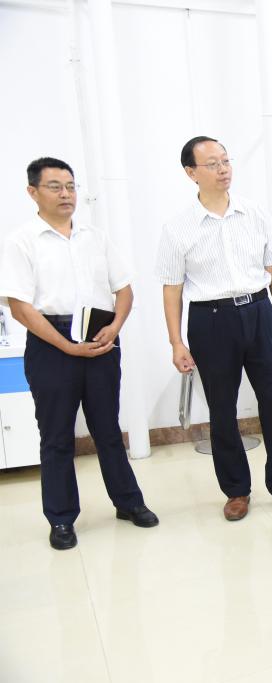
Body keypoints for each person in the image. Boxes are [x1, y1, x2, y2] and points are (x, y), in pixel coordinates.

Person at [0, 157, 158, 550]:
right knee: (56, 436)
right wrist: (67, 346)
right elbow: (20, 308)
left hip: (101, 336)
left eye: (70, 186)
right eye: (55, 186)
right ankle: (61, 518)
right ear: (33, 192)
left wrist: (114, 327)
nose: (66, 194)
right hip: (51, 342)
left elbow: (124, 289)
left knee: (108, 429)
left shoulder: (95, 237)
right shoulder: (21, 241)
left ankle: (128, 502)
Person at [157, 136, 272, 522]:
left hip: (259, 312)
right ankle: (236, 491)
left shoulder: (254, 213)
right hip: (210, 321)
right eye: (212, 164)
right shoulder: (178, 228)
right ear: (191, 173)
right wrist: (176, 341)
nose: (223, 169)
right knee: (222, 409)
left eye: (226, 161)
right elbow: (172, 288)